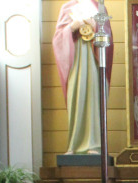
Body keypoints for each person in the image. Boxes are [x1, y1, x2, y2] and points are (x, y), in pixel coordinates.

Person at [52, 0, 112, 155]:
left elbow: (108, 38)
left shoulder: (99, 7)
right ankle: (74, 144)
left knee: (93, 97)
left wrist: (95, 26)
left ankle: (94, 144)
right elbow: (58, 39)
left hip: (93, 60)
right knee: (76, 98)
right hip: (75, 58)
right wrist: (72, 27)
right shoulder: (67, 7)